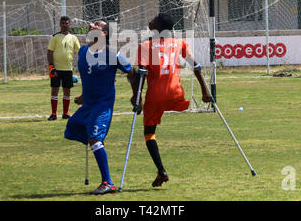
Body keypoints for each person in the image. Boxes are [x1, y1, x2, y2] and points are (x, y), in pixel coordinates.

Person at [132, 12, 212, 187]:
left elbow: (141, 74)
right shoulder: (180, 43)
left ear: (158, 26)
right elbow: (196, 66)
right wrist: (205, 91)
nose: (149, 20)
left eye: (152, 19)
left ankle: (161, 171)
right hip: (176, 94)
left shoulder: (145, 46)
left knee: (149, 133)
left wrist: (137, 98)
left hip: (155, 95)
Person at [64, 20, 134, 195]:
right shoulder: (82, 51)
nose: (91, 24)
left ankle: (107, 182)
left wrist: (136, 95)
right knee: (71, 129)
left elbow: (132, 72)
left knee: (94, 139)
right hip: (88, 104)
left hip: (102, 105)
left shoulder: (112, 53)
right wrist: (82, 96)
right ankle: (97, 142)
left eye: (97, 24)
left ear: (105, 33)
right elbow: (89, 78)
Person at [47, 16, 81, 120]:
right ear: (60, 24)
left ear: (69, 24)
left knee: (67, 91)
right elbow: (49, 52)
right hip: (56, 69)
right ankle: (53, 114)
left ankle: (65, 113)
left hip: (68, 69)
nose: (64, 25)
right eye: (62, 23)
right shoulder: (55, 37)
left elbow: (80, 51)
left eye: (66, 23)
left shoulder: (73, 38)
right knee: (54, 91)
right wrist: (51, 67)